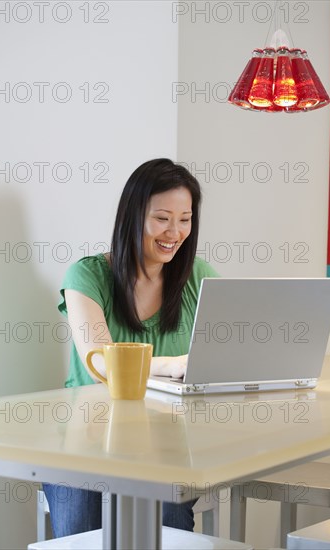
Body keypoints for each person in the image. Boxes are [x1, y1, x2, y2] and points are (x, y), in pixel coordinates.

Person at [43, 158, 219, 538]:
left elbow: (226, 354)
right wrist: (174, 365)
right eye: (162, 218)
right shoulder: (87, 276)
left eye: (185, 219)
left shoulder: (199, 278)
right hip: (83, 445)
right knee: (81, 534)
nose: (175, 232)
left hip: (167, 447)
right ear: (133, 215)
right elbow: (100, 363)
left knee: (168, 534)